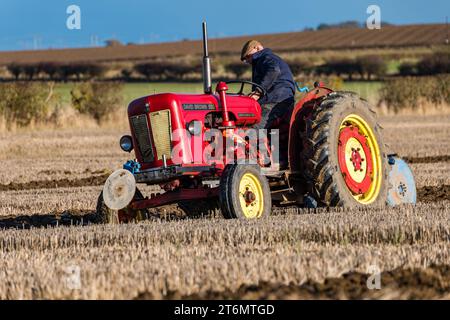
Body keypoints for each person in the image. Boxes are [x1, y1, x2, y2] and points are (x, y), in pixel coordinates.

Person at [240, 40, 296, 169]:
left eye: (248, 56)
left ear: (257, 47)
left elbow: (274, 71)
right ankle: (279, 160)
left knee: (255, 125)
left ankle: (265, 161)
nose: (248, 61)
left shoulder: (265, 57)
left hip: (276, 98)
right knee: (274, 131)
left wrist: (258, 92)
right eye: (246, 59)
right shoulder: (264, 60)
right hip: (280, 97)